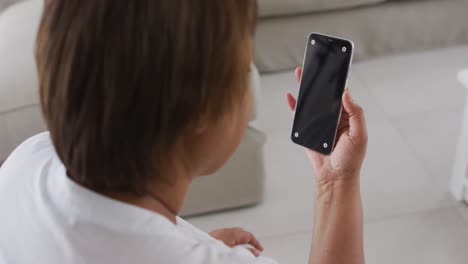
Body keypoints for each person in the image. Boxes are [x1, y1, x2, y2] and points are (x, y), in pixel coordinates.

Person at [0, 1, 368, 264]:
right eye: (243, 69)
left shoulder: (28, 162)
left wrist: (185, 243)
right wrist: (337, 182)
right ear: (201, 109)